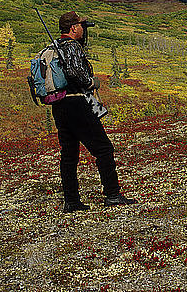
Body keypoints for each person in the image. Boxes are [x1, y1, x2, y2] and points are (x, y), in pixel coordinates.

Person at [52, 11, 134, 213]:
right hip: (78, 104)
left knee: (69, 154)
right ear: (73, 28)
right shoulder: (71, 46)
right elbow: (75, 73)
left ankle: (71, 201)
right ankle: (112, 194)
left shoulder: (55, 47)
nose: (83, 29)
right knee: (103, 149)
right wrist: (91, 82)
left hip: (60, 105)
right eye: (82, 26)